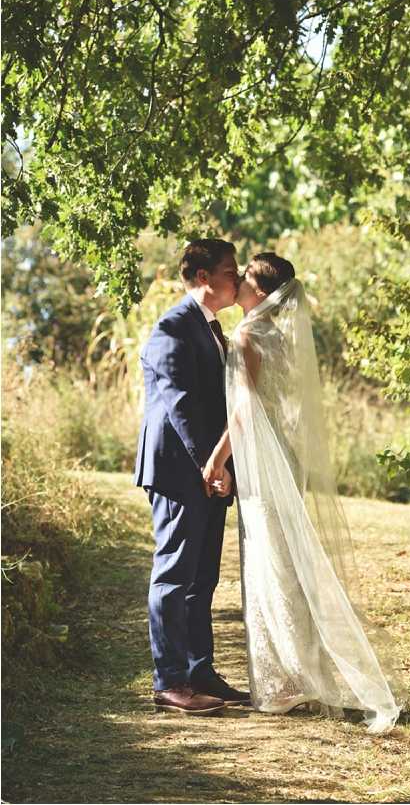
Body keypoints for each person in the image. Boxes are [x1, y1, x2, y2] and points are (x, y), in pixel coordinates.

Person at [203, 253, 401, 734]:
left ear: (260, 290)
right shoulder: (277, 335)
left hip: (261, 462)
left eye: (244, 279)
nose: (238, 285)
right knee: (284, 565)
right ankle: (294, 677)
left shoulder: (249, 335)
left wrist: (216, 458)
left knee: (272, 566)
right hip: (280, 459)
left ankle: (283, 684)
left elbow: (247, 409)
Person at [134, 238, 250, 714]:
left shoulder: (212, 328)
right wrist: (211, 461)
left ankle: (201, 671)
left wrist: (223, 465)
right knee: (174, 575)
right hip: (178, 471)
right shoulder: (172, 328)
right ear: (203, 277)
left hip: (208, 470)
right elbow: (181, 406)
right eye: (230, 270)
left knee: (202, 579)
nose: (238, 278)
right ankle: (170, 681)